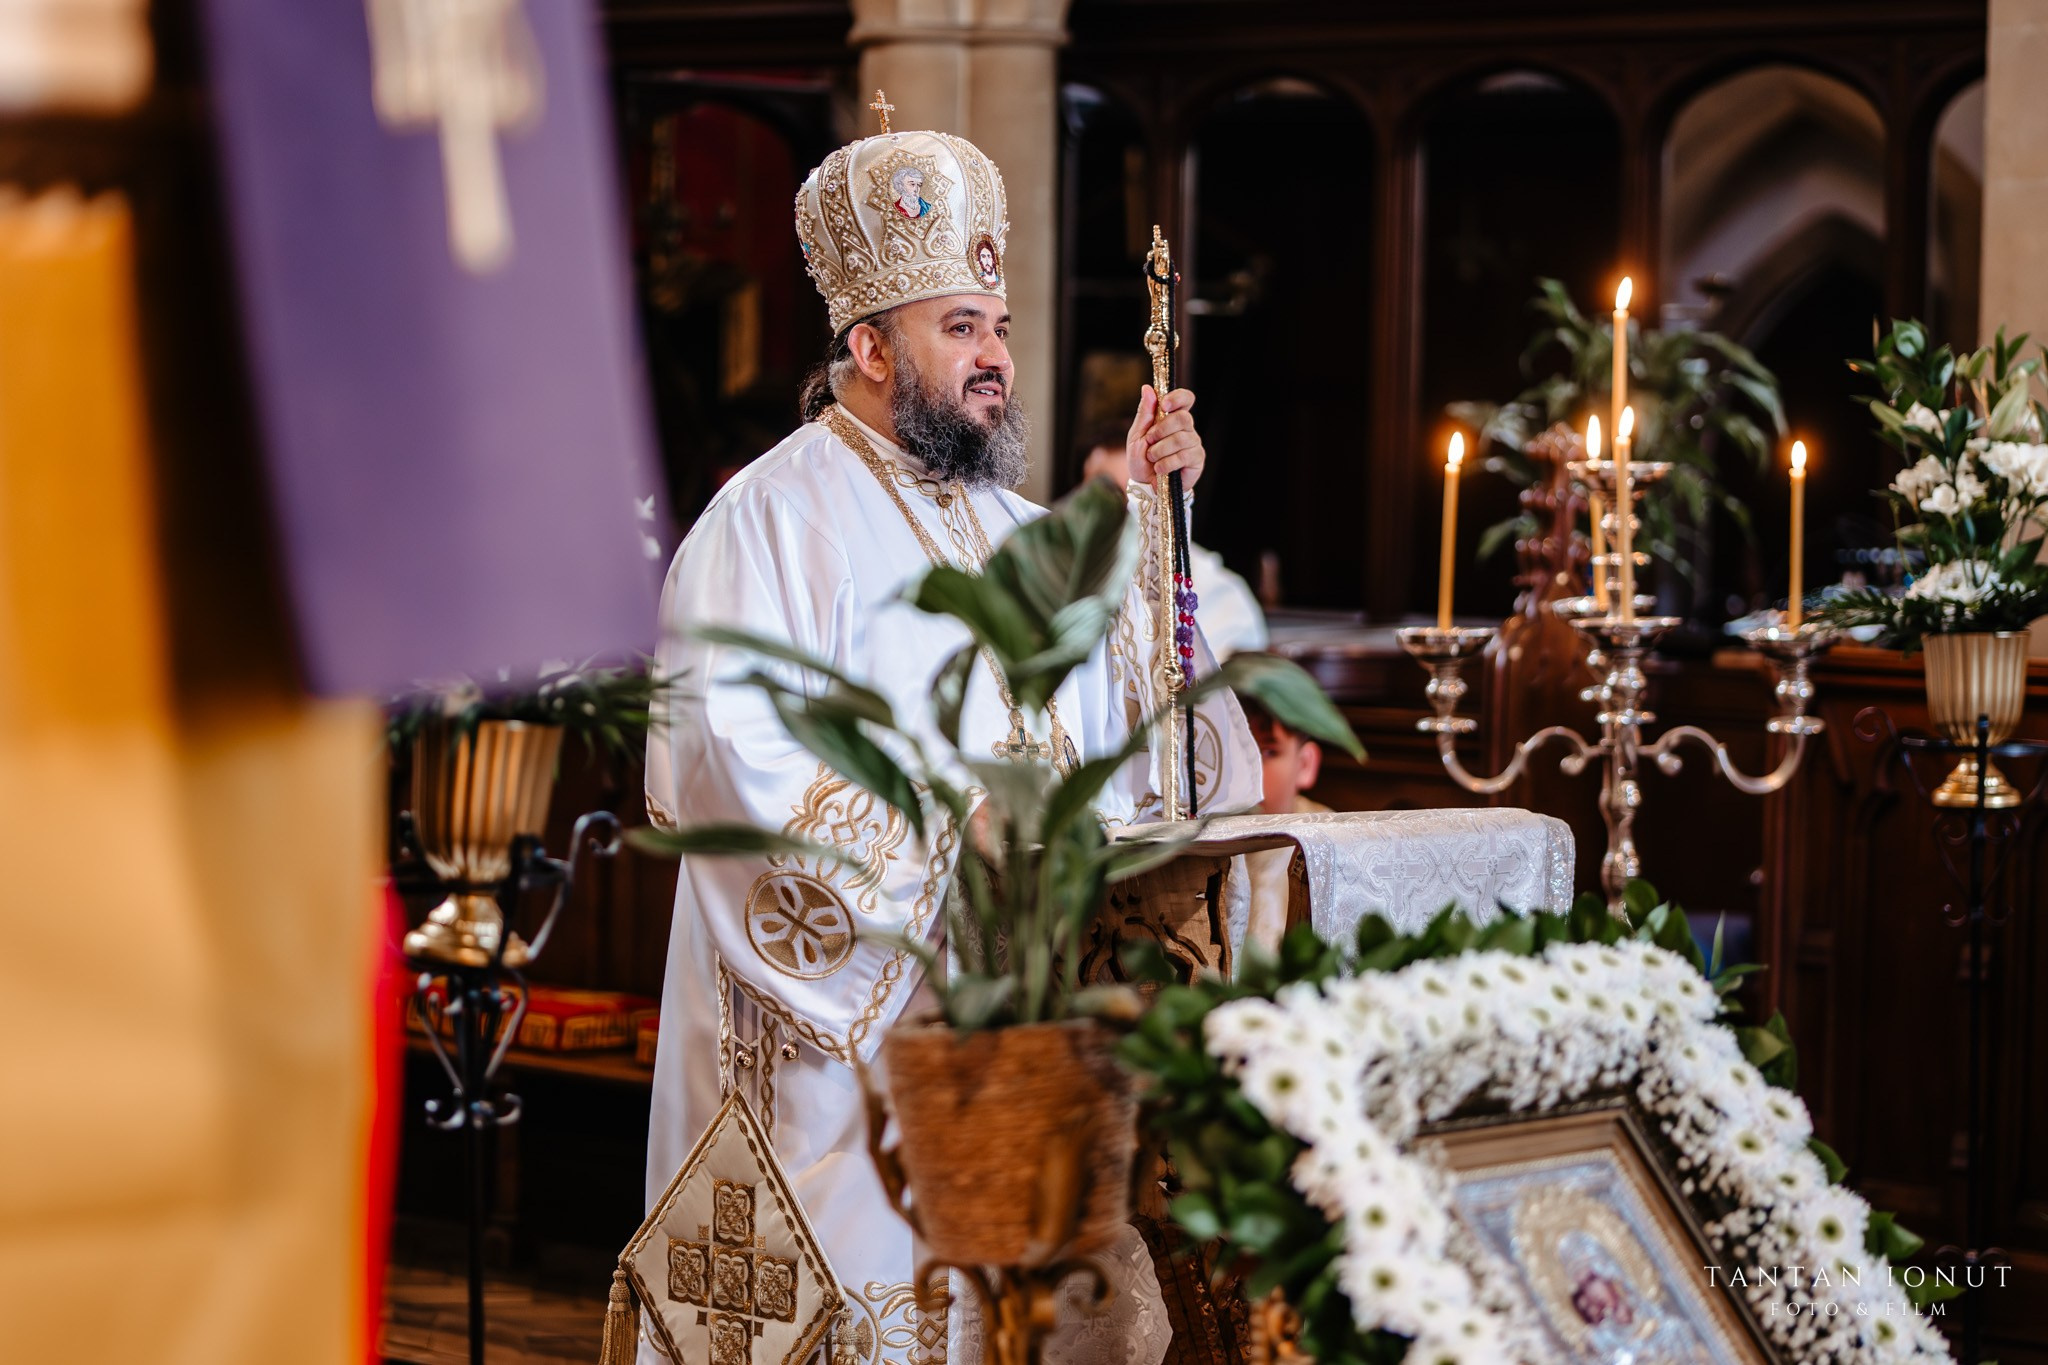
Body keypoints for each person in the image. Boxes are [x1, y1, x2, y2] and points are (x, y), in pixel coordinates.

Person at [643, 118, 1261, 1365]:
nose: (995, 360)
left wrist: (1159, 533)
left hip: (1015, 1036)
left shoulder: (1020, 531)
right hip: (840, 1045)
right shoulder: (766, 518)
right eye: (960, 328)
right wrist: (951, 833)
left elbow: (1148, 745)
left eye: (1000, 328)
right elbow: (718, 755)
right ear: (869, 347)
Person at [1078, 429, 1269, 656]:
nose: (1117, 512)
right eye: (1100, 496)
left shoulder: (1217, 594)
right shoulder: (1068, 578)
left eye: (1135, 498)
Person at [1238, 687, 1331, 956]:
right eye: (1238, 751)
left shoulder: (1330, 844)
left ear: (1304, 764)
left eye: (1268, 752)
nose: (1249, 772)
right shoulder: (1195, 842)